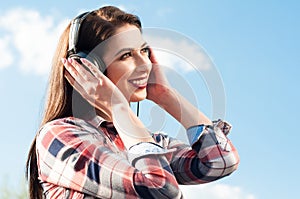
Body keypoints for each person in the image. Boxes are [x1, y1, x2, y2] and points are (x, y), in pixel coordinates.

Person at [26, 6, 239, 199]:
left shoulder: (144, 142)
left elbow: (221, 161)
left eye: (144, 51)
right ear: (89, 68)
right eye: (127, 55)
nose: (145, 65)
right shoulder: (59, 137)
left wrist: (166, 96)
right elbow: (161, 191)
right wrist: (119, 108)